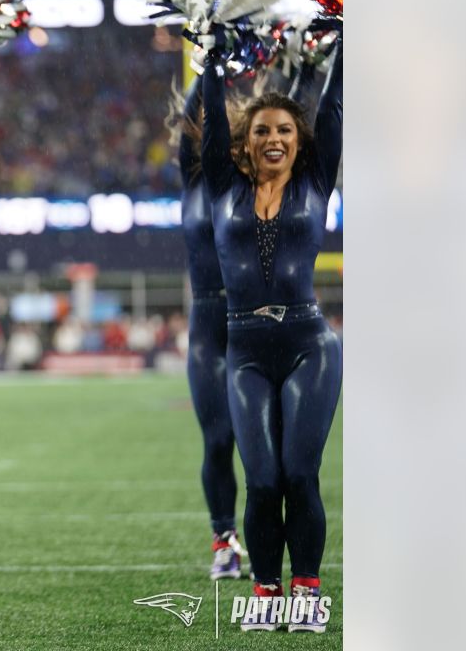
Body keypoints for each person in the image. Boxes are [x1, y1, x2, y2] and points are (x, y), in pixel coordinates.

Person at [200, 40, 343, 633]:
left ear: (300, 141)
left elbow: (333, 107)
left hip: (311, 344)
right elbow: (209, 120)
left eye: (285, 129)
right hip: (246, 351)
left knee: (298, 473)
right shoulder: (221, 188)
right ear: (246, 142)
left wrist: (346, 34)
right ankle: (265, 590)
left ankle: (306, 591)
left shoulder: (315, 183)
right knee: (260, 478)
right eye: (262, 131)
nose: (275, 138)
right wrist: (207, 52)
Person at [170, 79, 244, 580]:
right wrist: (210, 56)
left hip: (252, 317)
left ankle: (268, 537)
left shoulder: (258, 182)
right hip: (207, 321)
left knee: (268, 451)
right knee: (218, 439)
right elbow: (191, 120)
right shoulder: (193, 177)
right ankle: (224, 541)